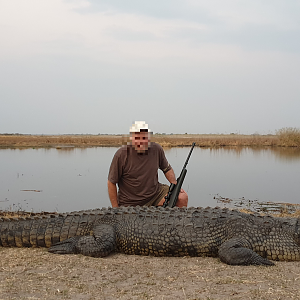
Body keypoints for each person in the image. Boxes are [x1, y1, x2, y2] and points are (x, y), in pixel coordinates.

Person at [107, 121, 188, 208]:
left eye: (144, 137)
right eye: (137, 138)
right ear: (132, 138)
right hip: (130, 202)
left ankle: (177, 222)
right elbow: (111, 182)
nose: (141, 142)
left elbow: (167, 169)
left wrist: (175, 185)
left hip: (155, 194)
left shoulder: (157, 149)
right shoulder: (121, 154)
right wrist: (115, 209)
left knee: (182, 197)